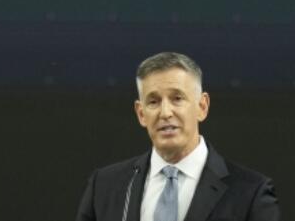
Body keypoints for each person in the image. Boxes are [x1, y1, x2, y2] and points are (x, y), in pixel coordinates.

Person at [76, 51, 280, 221]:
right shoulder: (104, 187)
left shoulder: (250, 193)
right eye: (153, 102)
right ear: (141, 113)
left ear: (202, 106)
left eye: (177, 98)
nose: (165, 112)